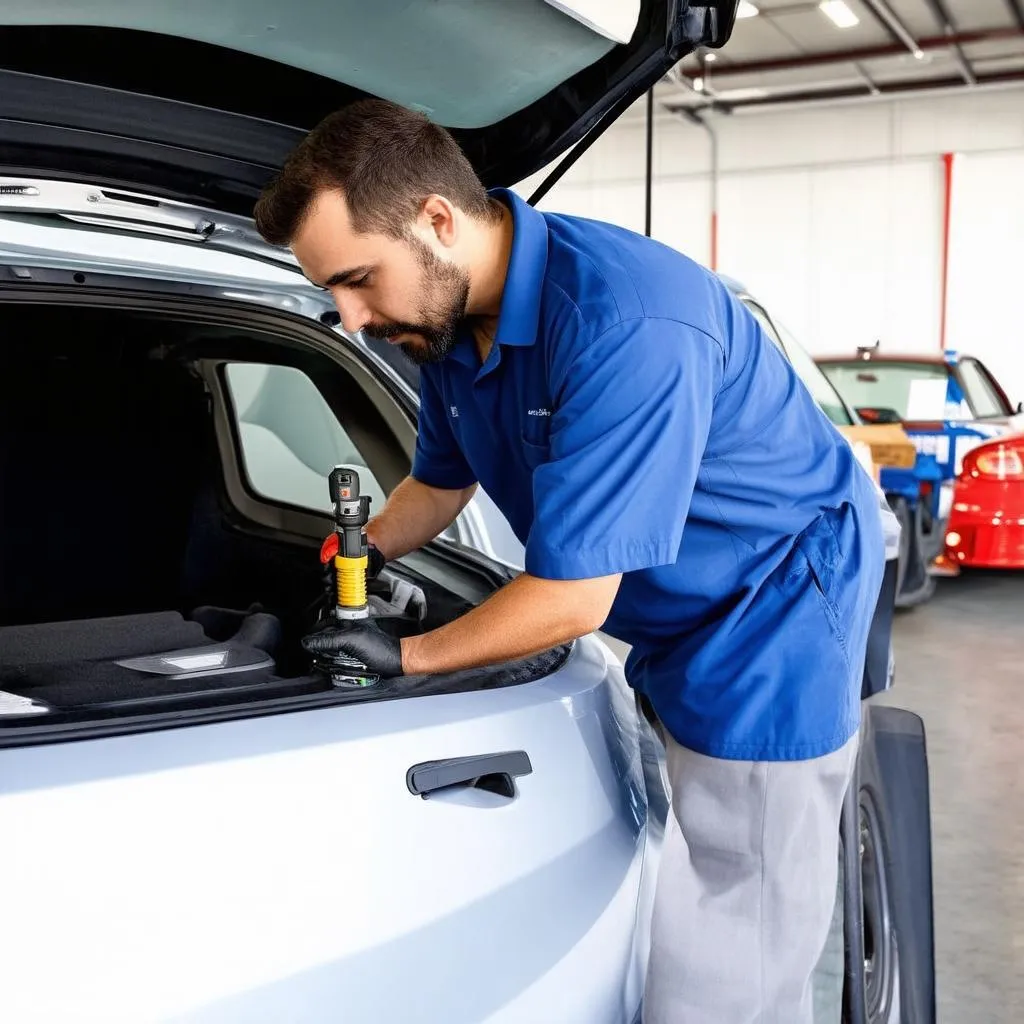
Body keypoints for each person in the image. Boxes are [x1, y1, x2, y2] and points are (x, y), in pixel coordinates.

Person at [254, 98, 885, 1023]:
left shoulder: (625, 322)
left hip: (770, 610)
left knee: (732, 937)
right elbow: (441, 483)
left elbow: (574, 600)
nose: (350, 319)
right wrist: (356, 552)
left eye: (357, 281)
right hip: (671, 611)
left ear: (436, 220)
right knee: (682, 863)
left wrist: (410, 656)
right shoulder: (443, 321)